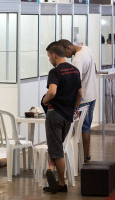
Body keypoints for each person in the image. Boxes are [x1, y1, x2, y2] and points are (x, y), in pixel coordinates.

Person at [42, 42, 82, 194]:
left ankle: (61, 184)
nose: (49, 60)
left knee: (56, 150)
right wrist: (76, 108)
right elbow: (80, 94)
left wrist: (45, 100)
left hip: (55, 114)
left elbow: (52, 92)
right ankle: (50, 171)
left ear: (54, 55)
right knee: (56, 146)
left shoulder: (55, 72)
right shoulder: (75, 71)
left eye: (48, 56)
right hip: (68, 116)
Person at [58, 39, 97, 162]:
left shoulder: (77, 61)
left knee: (80, 128)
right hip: (92, 95)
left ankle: (79, 158)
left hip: (83, 98)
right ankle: (86, 156)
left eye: (64, 53)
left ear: (68, 47)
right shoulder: (87, 48)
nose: (65, 56)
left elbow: (76, 85)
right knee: (86, 128)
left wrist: (73, 104)